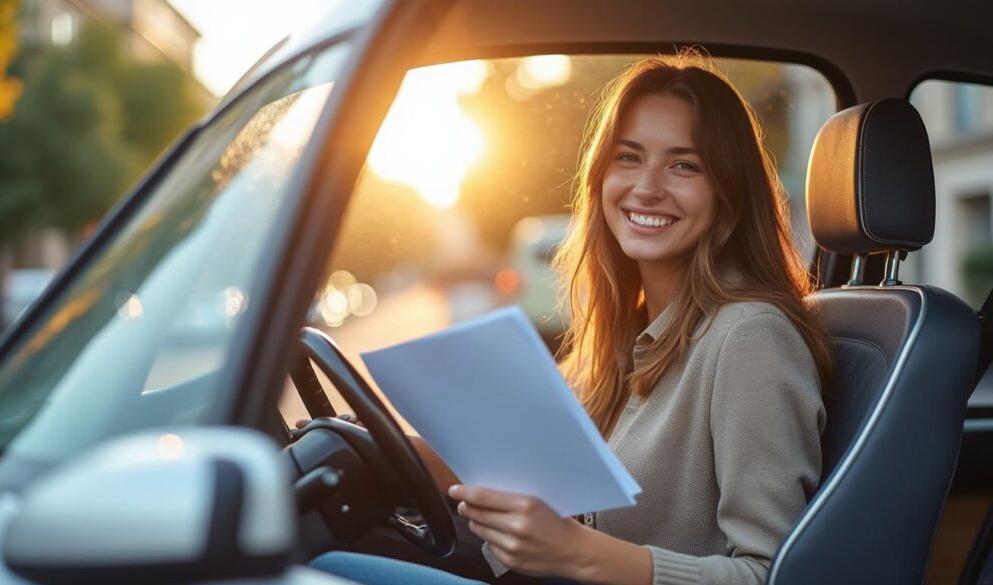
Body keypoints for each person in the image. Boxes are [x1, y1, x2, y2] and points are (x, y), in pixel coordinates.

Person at [311, 53, 833, 585]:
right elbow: (517, 464)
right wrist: (374, 449)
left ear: (729, 193)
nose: (647, 186)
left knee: (311, 569)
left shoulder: (752, 337)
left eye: (684, 165)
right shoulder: (625, 334)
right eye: (629, 157)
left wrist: (580, 554)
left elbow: (773, 574)